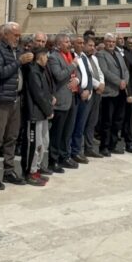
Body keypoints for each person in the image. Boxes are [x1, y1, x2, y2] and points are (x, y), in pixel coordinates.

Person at [0, 22, 29, 188]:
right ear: (5, 34)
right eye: (15, 35)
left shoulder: (18, 50)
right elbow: (1, 72)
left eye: (19, 35)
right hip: (2, 99)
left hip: (16, 99)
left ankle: (9, 170)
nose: (18, 38)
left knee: (12, 137)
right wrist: (19, 62)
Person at [19, 42, 52, 186]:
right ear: (41, 57)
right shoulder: (33, 71)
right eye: (46, 56)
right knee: (33, 144)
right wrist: (48, 110)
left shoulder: (41, 70)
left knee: (43, 143)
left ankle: (36, 168)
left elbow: (45, 91)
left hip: (42, 113)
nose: (48, 59)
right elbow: (37, 94)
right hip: (34, 113)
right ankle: (30, 172)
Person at [46, 34, 79, 171]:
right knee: (57, 132)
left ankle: (64, 156)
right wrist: (72, 65)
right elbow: (59, 75)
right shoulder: (54, 57)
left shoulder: (70, 55)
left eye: (69, 42)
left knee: (67, 131)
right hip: (60, 99)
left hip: (71, 98)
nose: (69, 44)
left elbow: (77, 73)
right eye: (66, 42)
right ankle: (53, 160)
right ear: (59, 44)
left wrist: (77, 80)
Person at [70, 37, 104, 162]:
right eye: (79, 43)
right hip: (76, 95)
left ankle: (77, 151)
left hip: (86, 94)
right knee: (72, 125)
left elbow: (89, 75)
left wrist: (89, 90)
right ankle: (71, 152)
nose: (81, 45)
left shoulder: (83, 57)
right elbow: (73, 76)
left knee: (81, 125)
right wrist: (80, 91)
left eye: (82, 43)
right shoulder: (72, 57)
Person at [95, 33, 129, 156]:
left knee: (118, 120)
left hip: (121, 92)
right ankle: (104, 146)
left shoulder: (119, 54)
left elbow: (125, 70)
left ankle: (113, 145)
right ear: (105, 42)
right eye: (109, 41)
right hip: (109, 92)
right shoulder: (101, 54)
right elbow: (105, 71)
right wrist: (119, 81)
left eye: (113, 42)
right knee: (107, 121)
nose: (111, 44)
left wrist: (125, 81)